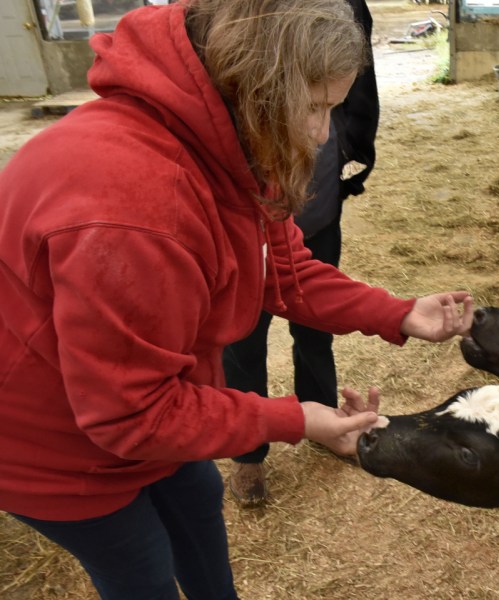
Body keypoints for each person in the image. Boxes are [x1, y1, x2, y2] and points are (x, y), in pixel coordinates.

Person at [0, 1, 473, 598]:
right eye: (316, 107)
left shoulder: (227, 140)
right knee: (139, 568)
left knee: (199, 505)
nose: (324, 134)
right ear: (256, 87)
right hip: (57, 443)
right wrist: (298, 417)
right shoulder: (136, 210)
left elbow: (283, 267)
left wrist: (396, 311)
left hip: (152, 406)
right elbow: (132, 416)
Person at [223, 0, 379, 508]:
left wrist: (352, 147)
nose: (322, 126)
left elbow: (358, 85)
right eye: (318, 112)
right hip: (250, 194)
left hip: (313, 198)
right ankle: (248, 456)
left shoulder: (343, 11)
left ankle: (323, 419)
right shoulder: (244, 19)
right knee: (242, 334)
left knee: (315, 325)